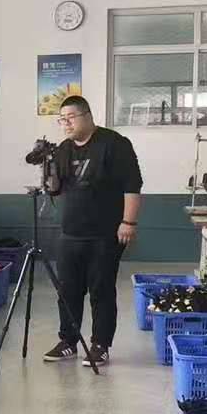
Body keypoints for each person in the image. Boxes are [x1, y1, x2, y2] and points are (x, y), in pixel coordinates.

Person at [43, 95, 143, 368]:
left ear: (87, 116)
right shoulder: (64, 149)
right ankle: (68, 341)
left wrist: (128, 222)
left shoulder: (114, 144)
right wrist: (49, 170)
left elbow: (132, 185)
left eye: (70, 118)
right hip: (70, 233)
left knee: (101, 290)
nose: (66, 124)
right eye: (62, 120)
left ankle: (100, 345)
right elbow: (56, 189)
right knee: (68, 291)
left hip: (105, 233)